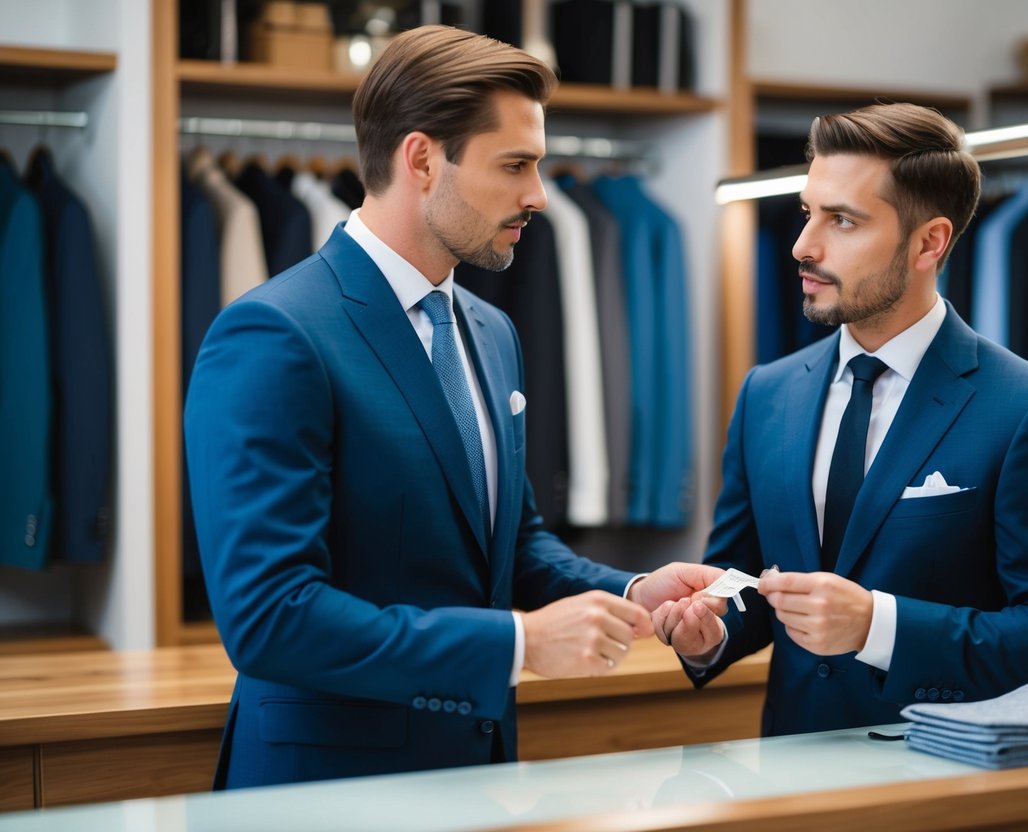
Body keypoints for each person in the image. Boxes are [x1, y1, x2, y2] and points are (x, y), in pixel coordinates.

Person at [183, 24, 722, 790]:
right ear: (422, 158)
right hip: (325, 787)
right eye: (516, 165)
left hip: (475, 770)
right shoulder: (275, 333)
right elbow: (270, 616)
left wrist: (629, 593)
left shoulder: (489, 329)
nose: (538, 194)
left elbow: (511, 544)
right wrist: (517, 646)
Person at [653, 102, 1028, 735]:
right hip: (792, 772)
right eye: (808, 212)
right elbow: (746, 582)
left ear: (930, 242)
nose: (802, 246)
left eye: (842, 220)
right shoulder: (769, 393)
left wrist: (879, 627)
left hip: (947, 781)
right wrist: (709, 631)